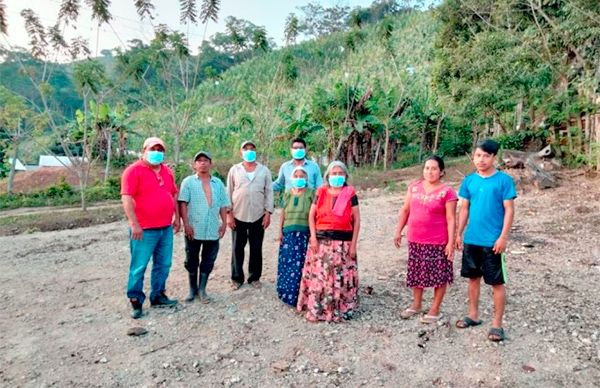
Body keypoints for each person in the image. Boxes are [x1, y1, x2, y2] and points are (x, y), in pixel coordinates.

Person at [455, 139, 516, 342]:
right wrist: (458, 233)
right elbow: (464, 209)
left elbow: (509, 210)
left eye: (486, 156)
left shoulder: (503, 181)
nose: (481, 160)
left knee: (497, 282)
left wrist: (503, 237)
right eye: (478, 155)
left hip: (493, 242)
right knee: (473, 278)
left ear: (493, 158)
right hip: (472, 239)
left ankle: (497, 325)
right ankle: (473, 315)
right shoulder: (469, 181)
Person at [121, 137, 180, 319]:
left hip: (165, 228)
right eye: (153, 148)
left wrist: (176, 217)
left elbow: (173, 194)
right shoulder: (133, 171)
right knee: (139, 266)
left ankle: (158, 295)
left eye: (160, 149)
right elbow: (127, 197)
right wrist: (134, 223)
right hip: (144, 230)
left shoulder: (167, 171)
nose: (157, 152)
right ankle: (136, 300)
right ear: (144, 150)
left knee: (163, 264)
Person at [394, 156, 457, 324]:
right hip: (416, 239)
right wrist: (399, 230)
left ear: (442, 172)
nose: (430, 171)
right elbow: (406, 210)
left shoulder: (447, 192)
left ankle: (435, 309)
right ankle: (416, 304)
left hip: (438, 241)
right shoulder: (414, 188)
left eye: (434, 168)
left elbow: (451, 218)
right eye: (427, 168)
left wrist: (451, 242)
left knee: (439, 275)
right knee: (417, 272)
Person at [297, 161, 361, 322]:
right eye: (334, 173)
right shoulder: (321, 191)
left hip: (342, 243)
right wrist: (313, 237)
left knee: (341, 276)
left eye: (340, 173)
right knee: (321, 277)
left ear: (345, 176)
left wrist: (353, 245)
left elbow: (357, 220)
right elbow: (311, 216)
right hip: (321, 241)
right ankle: (319, 309)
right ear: (328, 176)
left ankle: (341, 308)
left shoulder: (350, 192)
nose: (337, 176)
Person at [179, 151, 231, 303]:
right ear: (194, 164)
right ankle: (192, 289)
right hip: (194, 228)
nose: (202, 163)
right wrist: (186, 224)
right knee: (191, 259)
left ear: (210, 163)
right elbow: (183, 203)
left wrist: (223, 224)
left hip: (212, 228)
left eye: (205, 160)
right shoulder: (188, 182)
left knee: (208, 260)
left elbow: (223, 205)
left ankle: (202, 289)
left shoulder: (218, 183)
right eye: (199, 160)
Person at [226, 140, 274, 289]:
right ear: (241, 152)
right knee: (237, 248)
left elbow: (269, 192)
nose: (249, 151)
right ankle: (236, 278)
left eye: (252, 148)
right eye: (246, 149)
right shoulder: (235, 170)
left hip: (258, 214)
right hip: (238, 214)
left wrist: (268, 213)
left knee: (256, 247)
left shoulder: (264, 170)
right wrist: (229, 214)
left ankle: (254, 277)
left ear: (256, 151)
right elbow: (228, 191)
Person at [276, 166, 314, 307]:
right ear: (292, 178)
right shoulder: (287, 194)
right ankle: (287, 294)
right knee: (287, 263)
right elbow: (283, 213)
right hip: (288, 234)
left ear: (306, 179)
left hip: (304, 234)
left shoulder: (311, 193)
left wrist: (313, 234)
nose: (299, 178)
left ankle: (302, 294)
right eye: (296, 176)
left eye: (302, 176)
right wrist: (280, 231)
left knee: (302, 264)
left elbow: (314, 214)